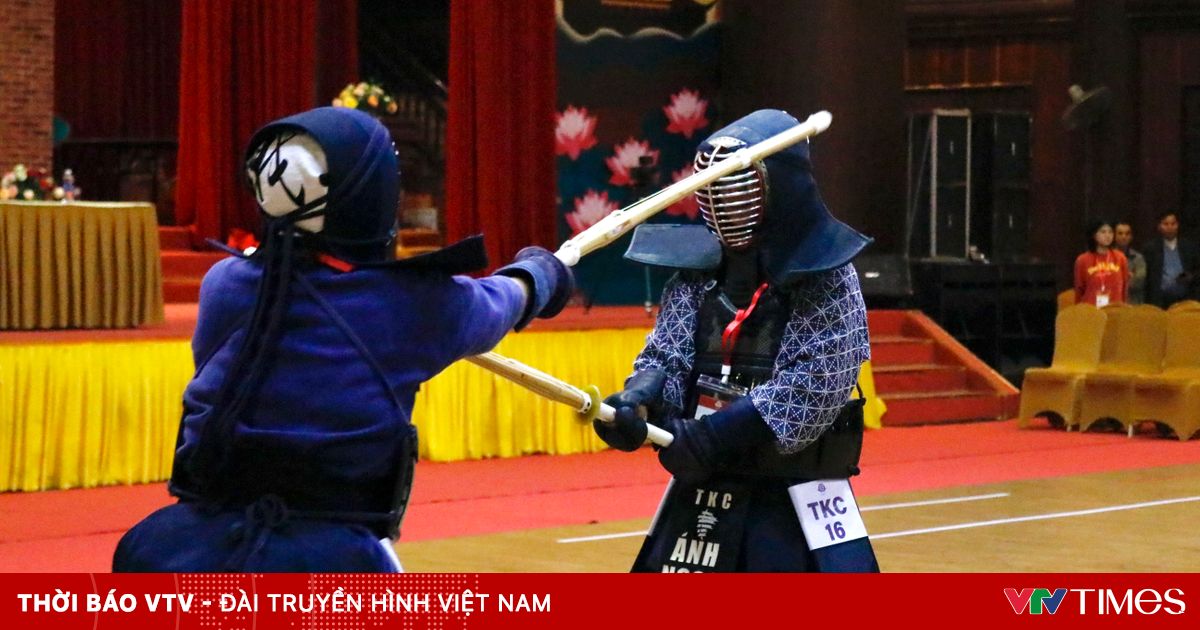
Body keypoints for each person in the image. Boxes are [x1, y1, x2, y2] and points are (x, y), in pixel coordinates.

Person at [113, 107, 573, 572]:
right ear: (371, 194)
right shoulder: (412, 304)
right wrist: (543, 273)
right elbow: (506, 301)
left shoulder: (225, 283)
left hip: (180, 548)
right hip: (329, 555)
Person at [593, 109, 878, 573]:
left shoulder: (826, 274)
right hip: (704, 487)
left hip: (791, 496)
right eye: (715, 188)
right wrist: (639, 402)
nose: (723, 202)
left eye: (737, 187)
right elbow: (667, 353)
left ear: (780, 186)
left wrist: (715, 435)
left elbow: (815, 384)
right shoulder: (698, 273)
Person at [1143, 211, 1200, 309]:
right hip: (1159, 302)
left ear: (1178, 225)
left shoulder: (1189, 247)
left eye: (1173, 224)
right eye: (1166, 224)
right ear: (1159, 226)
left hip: (1186, 300)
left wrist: (1191, 276)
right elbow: (1148, 279)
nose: (1170, 227)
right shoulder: (1151, 249)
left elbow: (1197, 270)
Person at [1074, 220, 1128, 307]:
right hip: (1091, 310)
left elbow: (1125, 287)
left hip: (1115, 309)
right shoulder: (1082, 260)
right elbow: (1079, 290)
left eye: (1110, 232)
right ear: (1094, 235)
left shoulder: (1120, 258)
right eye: (1103, 232)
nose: (1108, 235)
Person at [1113, 221, 1145, 304]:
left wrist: (1116, 278)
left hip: (1133, 303)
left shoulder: (1138, 258)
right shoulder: (1107, 257)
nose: (1124, 237)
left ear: (1131, 237)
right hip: (1112, 302)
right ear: (1114, 236)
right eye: (1120, 233)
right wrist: (1127, 276)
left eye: (1127, 234)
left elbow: (1139, 282)